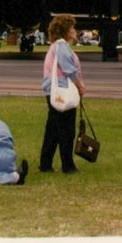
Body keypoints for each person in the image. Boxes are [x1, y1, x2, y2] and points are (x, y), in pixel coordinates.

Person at [39, 14, 86, 174]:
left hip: (53, 91)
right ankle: (67, 165)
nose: (74, 30)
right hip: (61, 91)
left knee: (53, 128)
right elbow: (69, 70)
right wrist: (80, 86)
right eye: (72, 27)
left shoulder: (55, 46)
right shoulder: (62, 46)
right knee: (66, 129)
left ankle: (45, 163)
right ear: (65, 30)